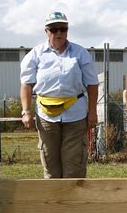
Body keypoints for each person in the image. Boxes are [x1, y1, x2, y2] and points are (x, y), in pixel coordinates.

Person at [20, 11, 99, 178]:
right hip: (46, 116)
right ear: (46, 31)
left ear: (67, 30)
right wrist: (26, 111)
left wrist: (92, 112)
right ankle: (54, 201)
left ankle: (73, 202)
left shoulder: (80, 53)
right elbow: (26, 84)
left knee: (74, 163)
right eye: (53, 29)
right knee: (50, 163)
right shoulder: (35, 54)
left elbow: (92, 84)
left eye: (63, 29)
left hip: (76, 116)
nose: (59, 33)